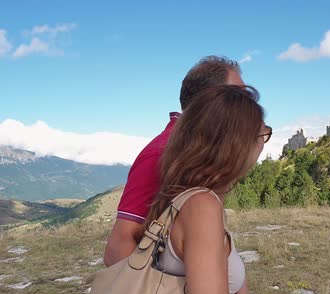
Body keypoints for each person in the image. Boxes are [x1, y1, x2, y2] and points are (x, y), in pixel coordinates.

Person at [146, 85, 271, 294]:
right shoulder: (202, 207)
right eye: (262, 134)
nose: (262, 144)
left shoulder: (184, 194)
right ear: (237, 144)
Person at [104, 55, 244, 267]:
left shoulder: (198, 150)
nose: (247, 106)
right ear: (208, 100)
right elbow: (120, 242)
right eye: (237, 97)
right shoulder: (161, 153)